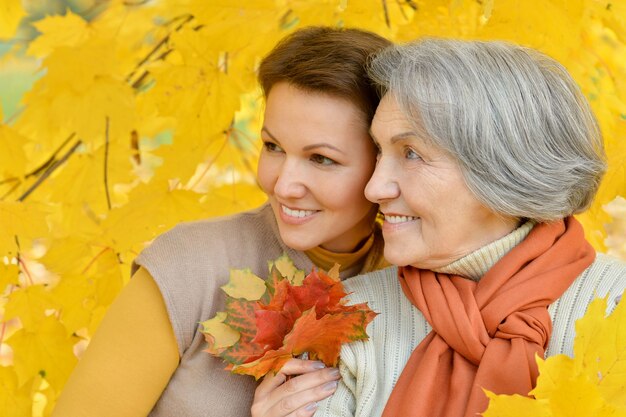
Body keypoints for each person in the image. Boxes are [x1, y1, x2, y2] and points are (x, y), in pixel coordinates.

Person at [256, 38, 626, 417]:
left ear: (503, 171)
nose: (375, 187)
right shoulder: (349, 318)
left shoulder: (617, 308)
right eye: (380, 151)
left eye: (411, 154)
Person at [52, 26, 391, 417]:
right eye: (273, 147)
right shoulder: (188, 266)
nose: (283, 184)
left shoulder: (416, 287)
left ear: (384, 162)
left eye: (321, 159)